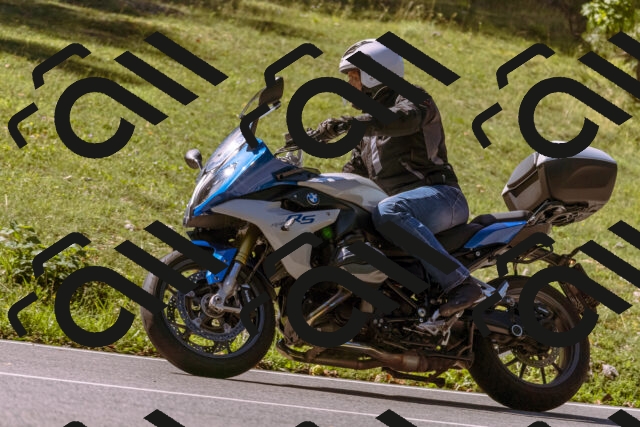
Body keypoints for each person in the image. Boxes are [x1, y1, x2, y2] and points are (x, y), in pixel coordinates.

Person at [312, 39, 484, 318]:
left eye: (353, 77)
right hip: (402, 209)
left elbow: (400, 120)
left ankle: (461, 283)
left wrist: (349, 124)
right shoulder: (367, 135)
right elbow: (351, 177)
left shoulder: (415, 100)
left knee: (388, 211)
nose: (349, 85)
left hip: (442, 197)